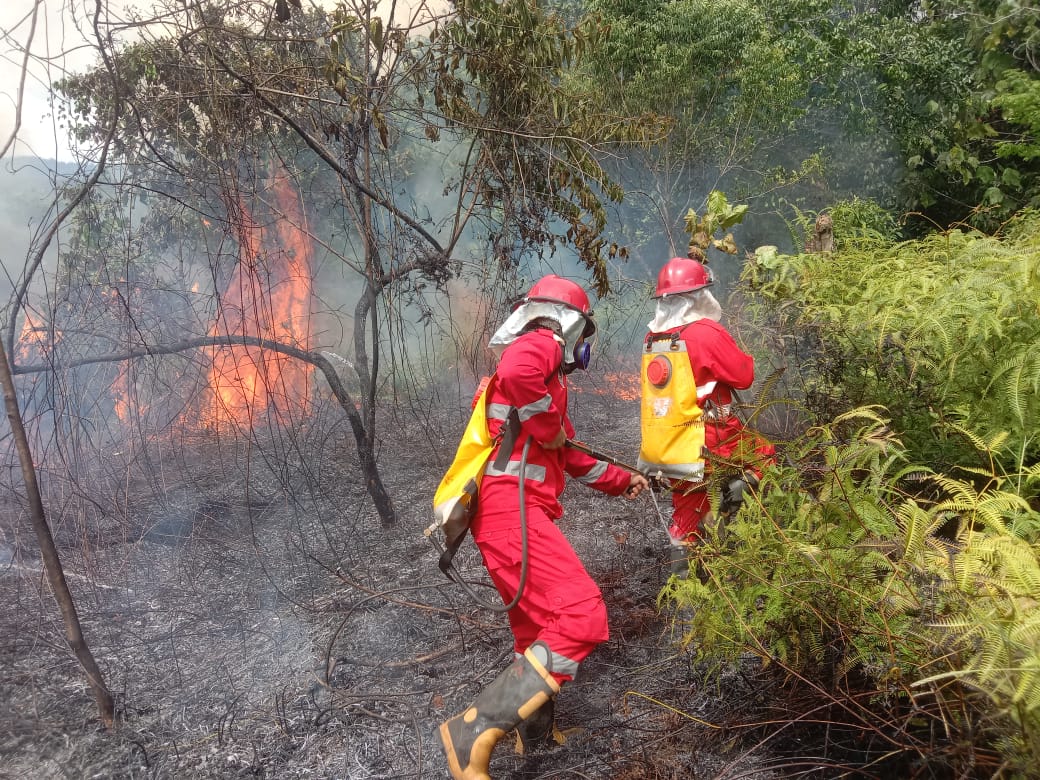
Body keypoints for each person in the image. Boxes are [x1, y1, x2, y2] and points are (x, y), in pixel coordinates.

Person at [438, 274, 649, 780]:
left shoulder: (547, 383)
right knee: (581, 616)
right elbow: (522, 377)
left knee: (535, 630)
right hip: (511, 512)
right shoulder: (542, 343)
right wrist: (548, 424)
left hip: (506, 513)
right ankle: (470, 732)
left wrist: (624, 480)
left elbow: (568, 453)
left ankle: (535, 740)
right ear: (571, 325)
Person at [638, 254, 774, 547]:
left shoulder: (652, 339)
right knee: (765, 454)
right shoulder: (705, 332)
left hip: (666, 447)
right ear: (698, 296)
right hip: (709, 442)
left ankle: (686, 568)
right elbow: (744, 376)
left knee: (687, 516)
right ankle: (727, 506)